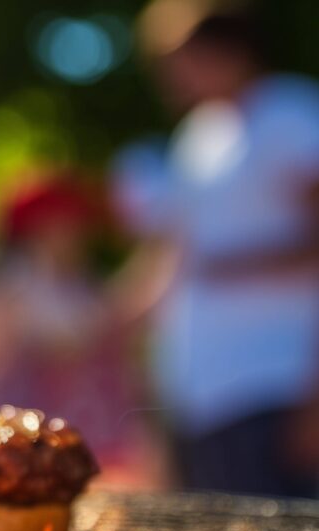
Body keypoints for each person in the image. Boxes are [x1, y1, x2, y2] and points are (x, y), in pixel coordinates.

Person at [112, 2, 319, 497]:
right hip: (200, 399)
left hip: (275, 389)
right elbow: (176, 256)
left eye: (178, 59)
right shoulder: (199, 136)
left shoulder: (289, 114)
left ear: (227, 51)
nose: (168, 77)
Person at [0, 174, 163, 486]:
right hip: (36, 440)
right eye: (64, 225)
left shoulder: (79, 285)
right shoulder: (13, 285)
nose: (75, 235)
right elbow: (75, 337)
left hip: (96, 437)